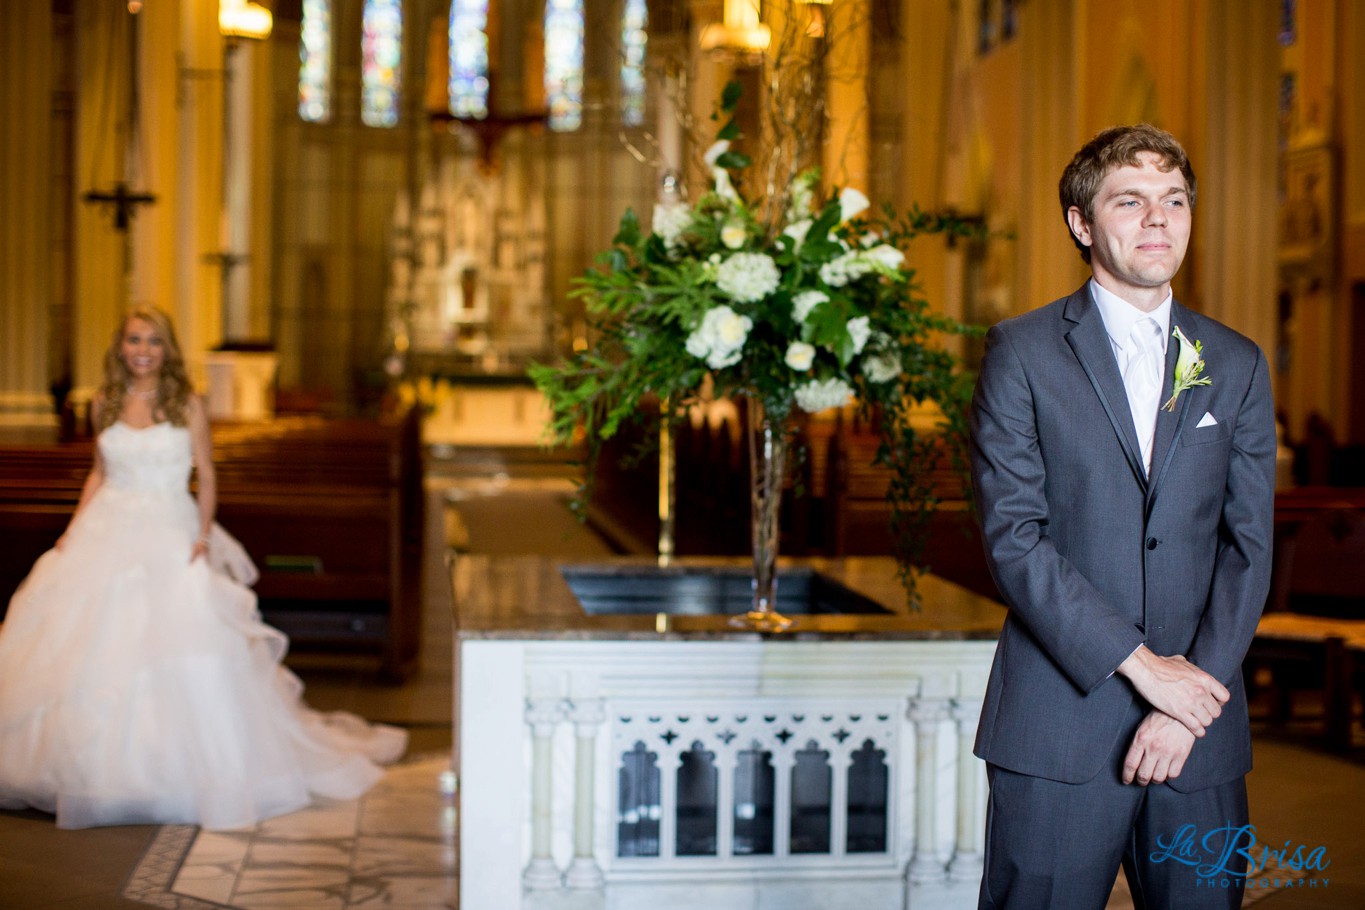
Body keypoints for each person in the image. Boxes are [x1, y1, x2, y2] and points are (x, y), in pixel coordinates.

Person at [969, 125, 1276, 908]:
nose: (1157, 220)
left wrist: (1190, 699)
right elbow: (1015, 540)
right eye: (1129, 202)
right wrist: (1144, 670)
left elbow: (1246, 547)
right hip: (1057, 726)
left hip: (1198, 732)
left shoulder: (1235, 361)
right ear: (1080, 223)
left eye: (1173, 201)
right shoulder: (1021, 352)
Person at [0, 307, 407, 830]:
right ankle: (86, 772)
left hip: (170, 527)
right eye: (134, 340)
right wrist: (71, 531)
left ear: (167, 349)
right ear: (120, 346)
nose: (143, 350)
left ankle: (179, 770)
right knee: (91, 645)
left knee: (183, 645)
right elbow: (98, 473)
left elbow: (208, 476)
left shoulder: (187, 403)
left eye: (154, 341)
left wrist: (202, 534)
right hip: (106, 528)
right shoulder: (104, 402)